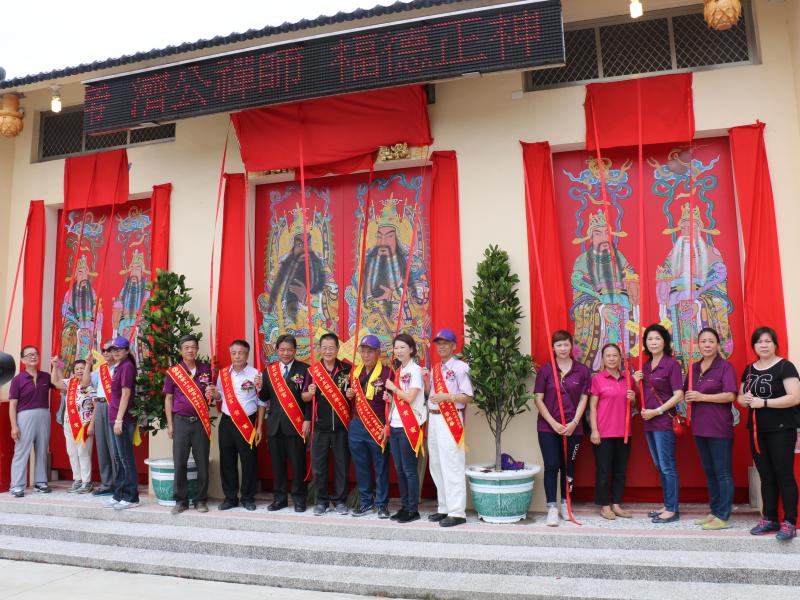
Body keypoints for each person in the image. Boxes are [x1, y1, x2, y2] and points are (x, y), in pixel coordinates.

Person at [738, 326, 800, 542]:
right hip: (757, 431)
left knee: (784, 475)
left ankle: (790, 521)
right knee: (766, 476)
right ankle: (770, 518)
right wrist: (743, 400)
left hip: (782, 430)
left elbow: (794, 397)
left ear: (775, 344)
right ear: (754, 345)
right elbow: (740, 397)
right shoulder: (750, 369)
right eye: (759, 342)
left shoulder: (785, 366)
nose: (763, 345)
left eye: (768, 341)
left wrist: (763, 402)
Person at [533, 330, 590, 527]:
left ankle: (566, 503)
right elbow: (538, 399)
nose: (563, 349)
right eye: (559, 345)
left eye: (566, 344)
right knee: (552, 466)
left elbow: (584, 398)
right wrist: (553, 423)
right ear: (553, 348)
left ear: (571, 346)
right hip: (548, 428)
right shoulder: (546, 370)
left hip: (574, 428)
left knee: (569, 467)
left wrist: (574, 422)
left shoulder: (582, 371)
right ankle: (552, 508)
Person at [684, 327, 738, 530]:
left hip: (719, 428)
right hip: (700, 428)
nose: (707, 345)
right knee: (709, 472)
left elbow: (730, 396)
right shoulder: (694, 368)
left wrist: (702, 397)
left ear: (718, 345)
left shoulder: (725, 367)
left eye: (711, 341)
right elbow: (682, 392)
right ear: (698, 344)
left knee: (722, 472)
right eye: (703, 341)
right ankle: (714, 511)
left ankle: (723, 515)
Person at [632, 324, 684, 524]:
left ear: (665, 342)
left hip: (663, 420)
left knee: (668, 466)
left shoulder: (672, 365)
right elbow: (644, 395)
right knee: (659, 465)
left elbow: (678, 395)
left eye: (657, 338)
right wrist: (637, 383)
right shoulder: (645, 366)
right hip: (649, 423)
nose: (653, 342)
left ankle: (672, 509)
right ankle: (667, 504)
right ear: (645, 343)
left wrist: (658, 411)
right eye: (650, 339)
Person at [423, 328, 473, 528]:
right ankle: (443, 507)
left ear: (454, 346)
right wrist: (427, 384)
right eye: (439, 343)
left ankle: (457, 512)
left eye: (446, 343)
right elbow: (432, 394)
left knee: (452, 464)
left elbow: (468, 396)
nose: (441, 346)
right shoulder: (435, 368)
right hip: (434, 419)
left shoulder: (461, 367)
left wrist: (448, 397)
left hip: (450, 419)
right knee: (436, 464)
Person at [206, 340, 264, 511]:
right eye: (234, 353)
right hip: (227, 422)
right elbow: (219, 397)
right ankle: (230, 497)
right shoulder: (223, 374)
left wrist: (259, 426)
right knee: (227, 460)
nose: (237, 356)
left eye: (241, 353)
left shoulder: (256, 374)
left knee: (249, 461)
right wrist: (213, 393)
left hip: (248, 422)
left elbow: (262, 401)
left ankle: (247, 497)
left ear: (247, 354)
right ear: (230, 354)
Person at [259, 334, 311, 512]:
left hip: (296, 425)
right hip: (274, 426)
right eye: (282, 350)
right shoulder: (269, 371)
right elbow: (264, 397)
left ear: (295, 350)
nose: (286, 353)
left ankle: (299, 499)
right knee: (277, 466)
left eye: (289, 349)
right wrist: (259, 387)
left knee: (298, 465)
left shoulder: (305, 369)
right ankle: (279, 499)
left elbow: (309, 400)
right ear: (276, 351)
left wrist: (307, 420)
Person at [303, 332, 352, 516]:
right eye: (325, 348)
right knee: (319, 466)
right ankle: (321, 501)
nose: (328, 351)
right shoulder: (313, 371)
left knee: (342, 465)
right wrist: (310, 392)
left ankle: (340, 501)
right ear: (319, 350)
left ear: (338, 349)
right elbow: (305, 397)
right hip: (320, 427)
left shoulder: (348, 370)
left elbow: (355, 397)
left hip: (342, 427)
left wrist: (352, 395)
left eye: (332, 348)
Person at [163, 335, 213, 514]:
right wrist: (170, 424)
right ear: (180, 350)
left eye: (193, 347)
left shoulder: (206, 370)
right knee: (180, 463)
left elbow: (213, 395)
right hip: (181, 422)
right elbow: (168, 399)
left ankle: (201, 500)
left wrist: (212, 393)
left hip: (200, 422)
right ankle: (181, 501)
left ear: (197, 349)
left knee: (202, 464)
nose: (190, 350)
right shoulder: (173, 372)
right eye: (186, 347)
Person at [346, 335, 393, 518]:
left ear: (378, 353)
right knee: (361, 465)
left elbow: (394, 403)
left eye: (370, 351)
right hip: (357, 424)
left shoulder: (388, 373)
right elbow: (352, 397)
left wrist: (387, 425)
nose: (366, 355)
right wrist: (349, 392)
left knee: (381, 465)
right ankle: (366, 502)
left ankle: (382, 504)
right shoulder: (355, 372)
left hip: (378, 423)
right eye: (363, 351)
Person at [589, 343, 636, 520]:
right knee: (603, 470)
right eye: (608, 355)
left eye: (615, 355)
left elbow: (635, 407)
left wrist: (634, 399)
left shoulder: (627, 378)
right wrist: (594, 430)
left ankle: (616, 503)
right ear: (603, 358)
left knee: (620, 471)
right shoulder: (597, 379)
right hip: (603, 433)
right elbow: (592, 407)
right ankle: (604, 505)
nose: (611, 358)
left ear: (620, 358)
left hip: (624, 432)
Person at [384, 333, 427, 523]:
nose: (399, 351)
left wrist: (393, 389)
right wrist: (390, 398)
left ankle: (412, 509)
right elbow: (400, 399)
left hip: (409, 426)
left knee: (409, 469)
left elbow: (410, 398)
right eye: (396, 347)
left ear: (411, 349)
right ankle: (404, 506)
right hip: (395, 424)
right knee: (399, 469)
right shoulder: (399, 370)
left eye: (403, 347)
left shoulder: (416, 370)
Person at [8, 346, 55, 497]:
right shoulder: (17, 380)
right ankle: (17, 485)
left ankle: (40, 482)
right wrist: (14, 426)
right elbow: (12, 404)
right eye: (29, 355)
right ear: (22, 360)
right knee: (22, 450)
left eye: (35, 354)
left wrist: (56, 367)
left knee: (42, 449)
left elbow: (60, 385)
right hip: (24, 416)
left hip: (43, 415)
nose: (33, 357)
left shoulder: (46, 376)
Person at [103, 336, 139, 509]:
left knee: (125, 458)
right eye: (113, 349)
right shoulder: (118, 367)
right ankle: (119, 493)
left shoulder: (127, 367)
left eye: (119, 349)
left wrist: (119, 419)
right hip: (114, 417)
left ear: (126, 350)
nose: (115, 352)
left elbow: (126, 394)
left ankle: (131, 496)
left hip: (122, 420)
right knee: (118, 458)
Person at [53, 359, 95, 494]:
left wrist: (92, 425)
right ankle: (77, 479)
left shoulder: (91, 384)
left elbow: (97, 406)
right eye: (77, 368)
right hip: (68, 423)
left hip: (84, 424)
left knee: (83, 453)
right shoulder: (70, 383)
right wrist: (54, 366)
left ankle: (86, 481)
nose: (79, 370)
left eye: (82, 368)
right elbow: (55, 382)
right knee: (72, 452)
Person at [82, 340, 117, 495]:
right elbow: (85, 383)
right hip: (101, 406)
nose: (106, 352)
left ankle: (119, 483)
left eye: (110, 349)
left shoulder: (121, 368)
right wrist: (88, 364)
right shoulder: (101, 369)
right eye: (104, 350)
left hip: (114, 406)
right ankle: (107, 484)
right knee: (102, 446)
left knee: (115, 447)